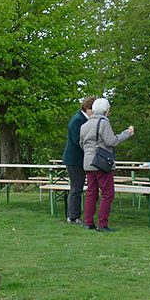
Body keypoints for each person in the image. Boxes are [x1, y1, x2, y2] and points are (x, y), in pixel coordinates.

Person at [79, 98, 134, 232]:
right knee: (108, 193)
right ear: (106, 110)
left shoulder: (84, 125)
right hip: (102, 162)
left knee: (91, 193)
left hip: (88, 163)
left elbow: (81, 144)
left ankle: (88, 222)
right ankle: (102, 224)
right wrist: (128, 133)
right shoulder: (103, 123)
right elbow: (112, 141)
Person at [62, 96, 96, 225]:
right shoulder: (78, 120)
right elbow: (78, 141)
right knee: (76, 188)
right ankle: (73, 216)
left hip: (79, 159)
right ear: (88, 109)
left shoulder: (82, 119)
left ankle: (74, 215)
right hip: (74, 159)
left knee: (77, 187)